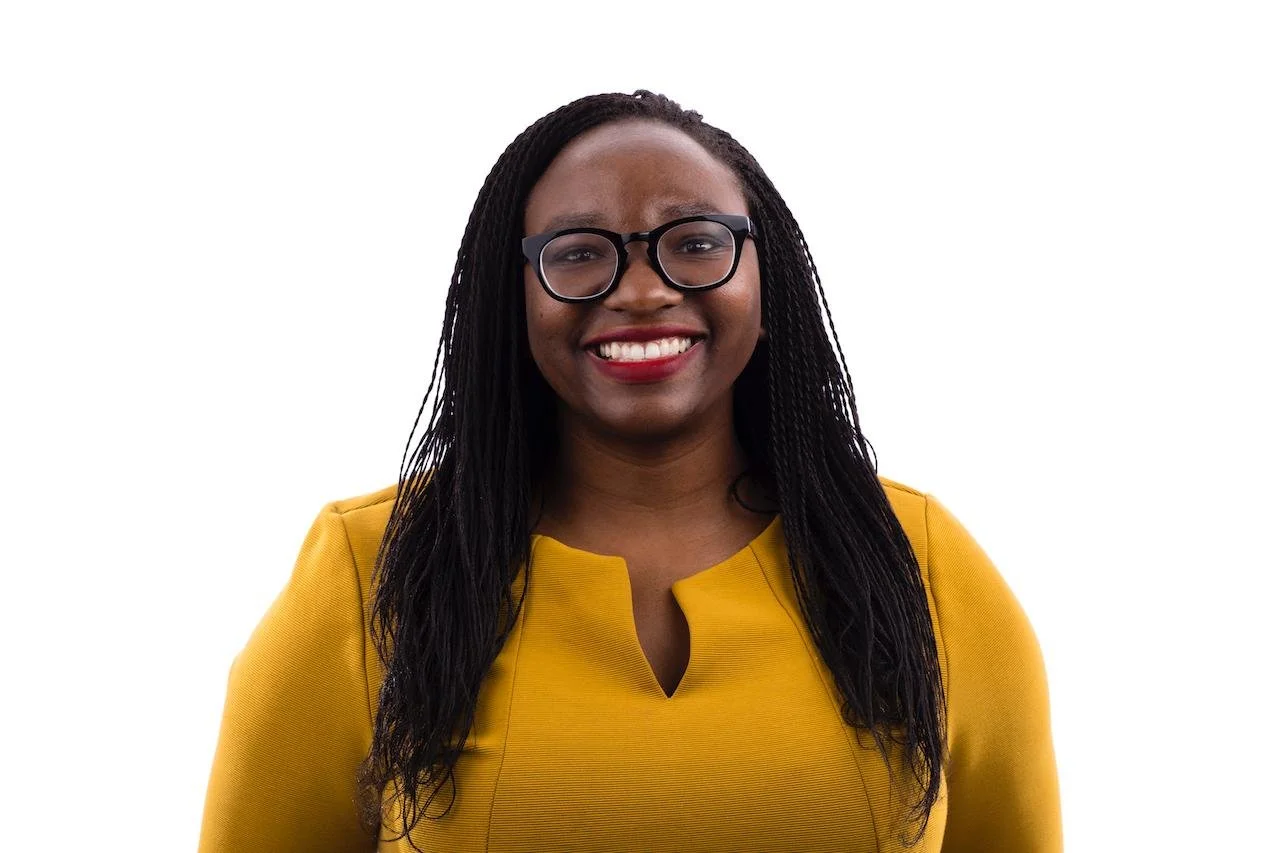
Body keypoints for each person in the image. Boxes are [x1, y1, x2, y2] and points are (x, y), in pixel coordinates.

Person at [199, 90, 1062, 852]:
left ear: (769, 283)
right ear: (517, 298)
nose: (644, 290)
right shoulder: (373, 571)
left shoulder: (922, 565)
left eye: (694, 243)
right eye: (579, 251)